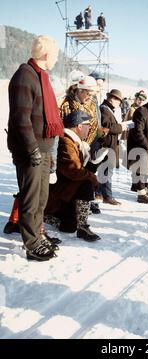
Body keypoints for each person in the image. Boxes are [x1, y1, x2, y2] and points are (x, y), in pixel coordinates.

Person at [7, 35, 64, 261]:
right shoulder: (25, 76)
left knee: (41, 198)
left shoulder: (41, 77)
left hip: (44, 149)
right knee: (30, 199)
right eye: (56, 56)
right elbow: (21, 119)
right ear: (47, 55)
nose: (57, 60)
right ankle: (31, 244)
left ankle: (38, 235)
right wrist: (32, 150)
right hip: (31, 151)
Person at [44, 110, 101, 242]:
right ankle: (82, 226)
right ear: (79, 126)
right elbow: (73, 170)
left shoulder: (73, 141)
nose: (90, 129)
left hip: (67, 191)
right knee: (87, 182)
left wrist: (92, 165)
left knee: (68, 227)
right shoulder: (66, 142)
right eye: (88, 126)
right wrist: (92, 177)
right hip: (59, 193)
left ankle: (78, 224)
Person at [97, 89, 129, 205]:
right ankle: (108, 196)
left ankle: (99, 193)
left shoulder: (107, 109)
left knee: (104, 171)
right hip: (107, 145)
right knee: (107, 171)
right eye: (118, 100)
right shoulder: (104, 109)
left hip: (109, 145)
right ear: (112, 99)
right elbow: (108, 127)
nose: (119, 103)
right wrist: (121, 127)